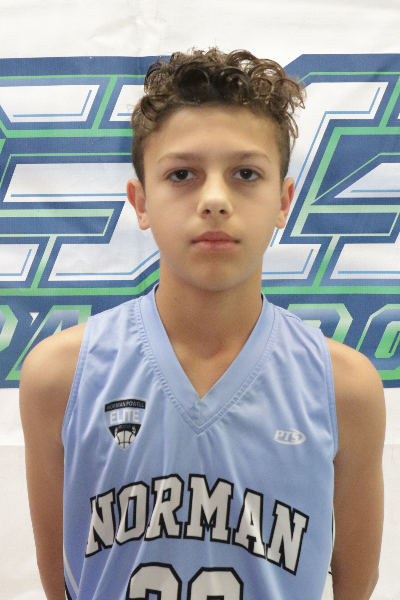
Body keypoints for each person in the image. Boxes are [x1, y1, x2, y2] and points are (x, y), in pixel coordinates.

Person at [19, 48, 385, 600]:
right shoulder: (60, 376)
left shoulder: (344, 388)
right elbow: (64, 582)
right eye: (182, 174)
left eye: (245, 174)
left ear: (283, 200)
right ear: (141, 202)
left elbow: (356, 586)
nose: (214, 199)